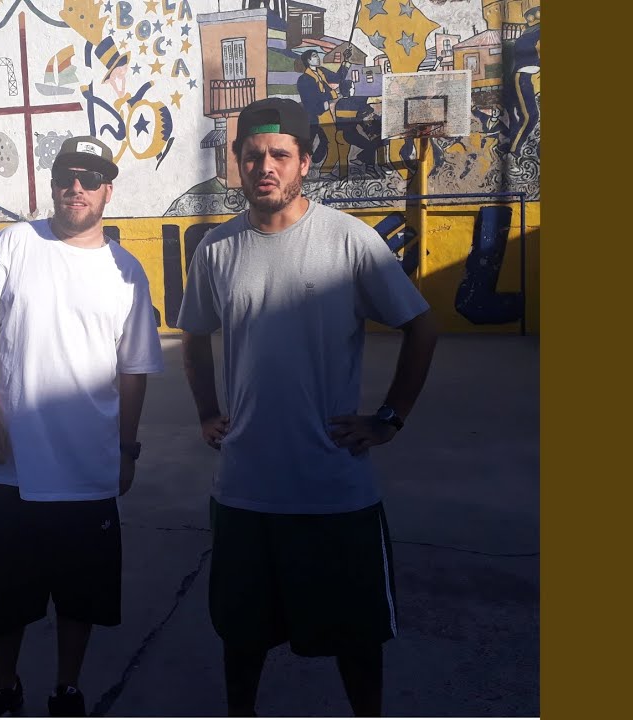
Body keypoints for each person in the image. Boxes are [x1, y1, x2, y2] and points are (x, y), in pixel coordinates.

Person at [176, 98, 438, 716]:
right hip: (244, 490)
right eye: (252, 156)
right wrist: (207, 411)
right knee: (242, 638)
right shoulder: (216, 249)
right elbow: (194, 335)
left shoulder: (349, 241)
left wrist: (389, 418)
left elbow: (421, 327)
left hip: (333, 489)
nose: (265, 167)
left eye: (279, 155)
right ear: (236, 162)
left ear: (305, 162)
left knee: (357, 641)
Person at [0, 136, 165, 717]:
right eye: (68, 176)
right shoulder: (14, 244)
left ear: (107, 191)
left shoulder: (126, 271)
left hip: (88, 472)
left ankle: (66, 689)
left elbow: (133, 371)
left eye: (90, 178)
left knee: (80, 598)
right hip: (10, 472)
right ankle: (5, 685)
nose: (78, 187)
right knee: (5, 596)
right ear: (52, 185)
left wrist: (127, 449)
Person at [295, 49, 351, 169]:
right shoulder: (304, 79)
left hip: (324, 112)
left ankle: (323, 167)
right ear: (308, 60)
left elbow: (338, 77)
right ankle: (300, 165)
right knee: (308, 143)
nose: (318, 58)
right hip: (313, 115)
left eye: (317, 55)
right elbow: (314, 98)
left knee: (330, 139)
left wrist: (346, 60)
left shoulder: (321, 72)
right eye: (315, 56)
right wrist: (334, 94)